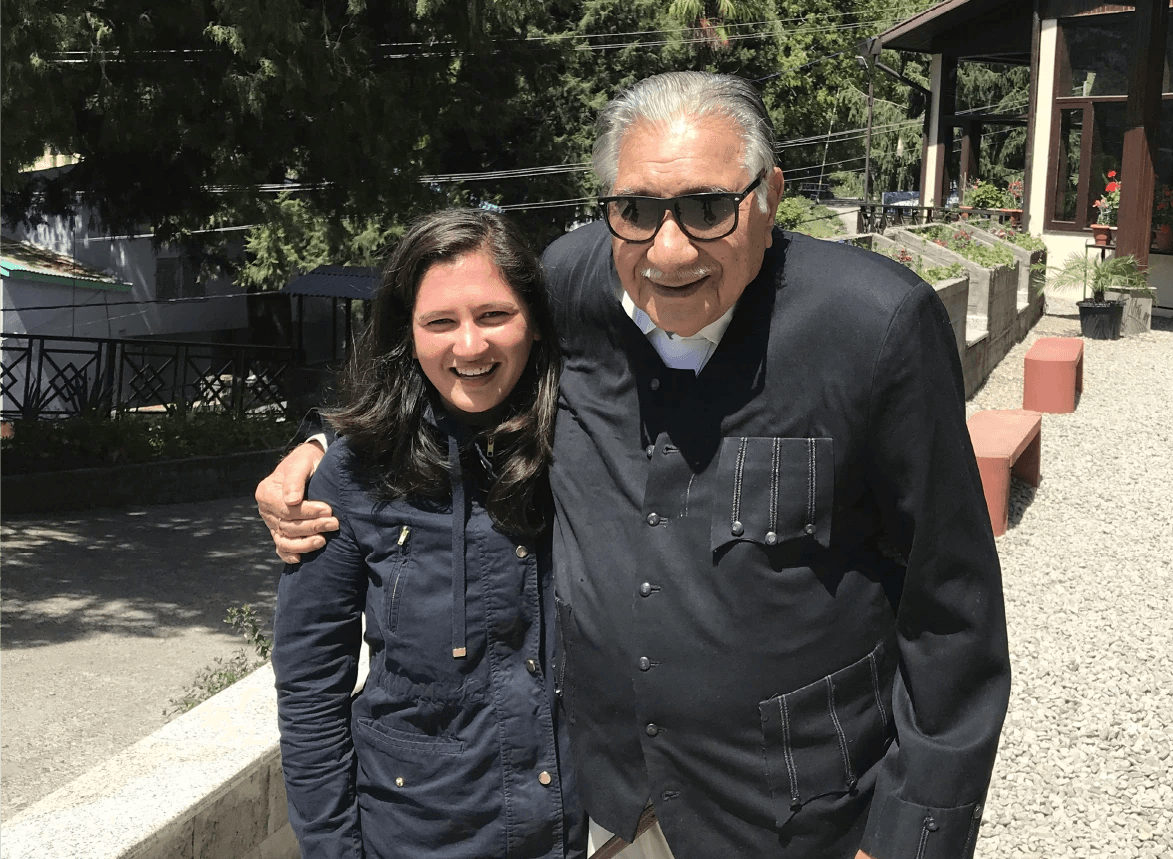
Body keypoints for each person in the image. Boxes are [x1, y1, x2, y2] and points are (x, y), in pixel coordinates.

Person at [260, 72, 1010, 859]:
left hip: (798, 818)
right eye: (637, 210)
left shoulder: (872, 327)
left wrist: (906, 840)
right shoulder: (572, 283)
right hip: (612, 814)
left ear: (768, 196)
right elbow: (458, 360)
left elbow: (950, 608)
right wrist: (322, 447)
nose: (669, 250)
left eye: (708, 207)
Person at [270, 208, 585, 859]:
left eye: (493, 315)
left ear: (533, 320)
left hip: (577, 828)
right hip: (415, 834)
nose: (469, 346)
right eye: (440, 322)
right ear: (406, 334)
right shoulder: (353, 476)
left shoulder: (584, 444)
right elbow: (310, 687)